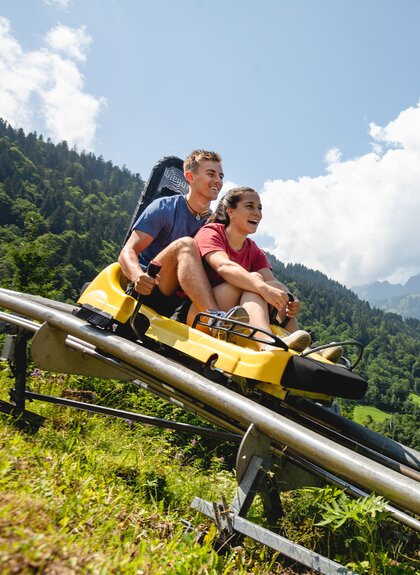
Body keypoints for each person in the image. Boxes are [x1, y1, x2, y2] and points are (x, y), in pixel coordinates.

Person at [118, 150, 248, 330]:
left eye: (221, 176)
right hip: (150, 290)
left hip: (187, 301)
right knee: (186, 245)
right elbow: (127, 251)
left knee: (244, 278)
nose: (218, 180)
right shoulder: (164, 208)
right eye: (211, 174)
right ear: (190, 177)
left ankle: (264, 339)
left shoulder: (215, 226)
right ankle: (215, 319)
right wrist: (137, 276)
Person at [189, 187, 314, 353]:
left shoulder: (252, 249)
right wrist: (262, 287)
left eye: (259, 208)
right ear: (230, 212)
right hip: (203, 314)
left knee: (276, 286)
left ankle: (304, 349)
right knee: (255, 280)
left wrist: (291, 300)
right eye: (250, 206)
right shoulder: (212, 233)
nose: (257, 213)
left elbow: (272, 283)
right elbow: (224, 266)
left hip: (234, 314)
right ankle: (266, 342)